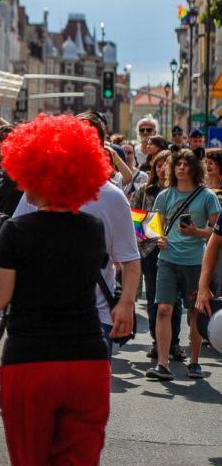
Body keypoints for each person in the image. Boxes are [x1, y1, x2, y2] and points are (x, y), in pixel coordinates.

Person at [0, 114, 113, 466]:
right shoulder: (93, 229)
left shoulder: (17, 231)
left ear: (32, 172)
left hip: (31, 361)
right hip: (87, 361)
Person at [12, 112, 140, 359]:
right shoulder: (37, 188)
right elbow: (16, 241)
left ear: (99, 147)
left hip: (94, 319)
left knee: (86, 396)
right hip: (40, 316)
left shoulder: (113, 198)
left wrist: (126, 304)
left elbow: (130, 260)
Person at [146, 149, 220, 380]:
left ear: (193, 169)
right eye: (177, 164)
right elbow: (152, 227)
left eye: (186, 164)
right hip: (167, 260)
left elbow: (216, 233)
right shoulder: (164, 195)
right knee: (164, 309)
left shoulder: (207, 197)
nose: (181, 168)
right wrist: (158, 238)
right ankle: (162, 363)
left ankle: (195, 362)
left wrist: (196, 231)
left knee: (194, 314)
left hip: (196, 263)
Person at [132, 150, 184, 361]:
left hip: (175, 249)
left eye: (166, 164)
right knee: (154, 298)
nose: (162, 169)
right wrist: (154, 231)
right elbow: (135, 221)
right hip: (150, 251)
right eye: (158, 165)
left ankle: (174, 343)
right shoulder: (145, 191)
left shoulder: (180, 192)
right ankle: (157, 342)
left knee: (176, 299)